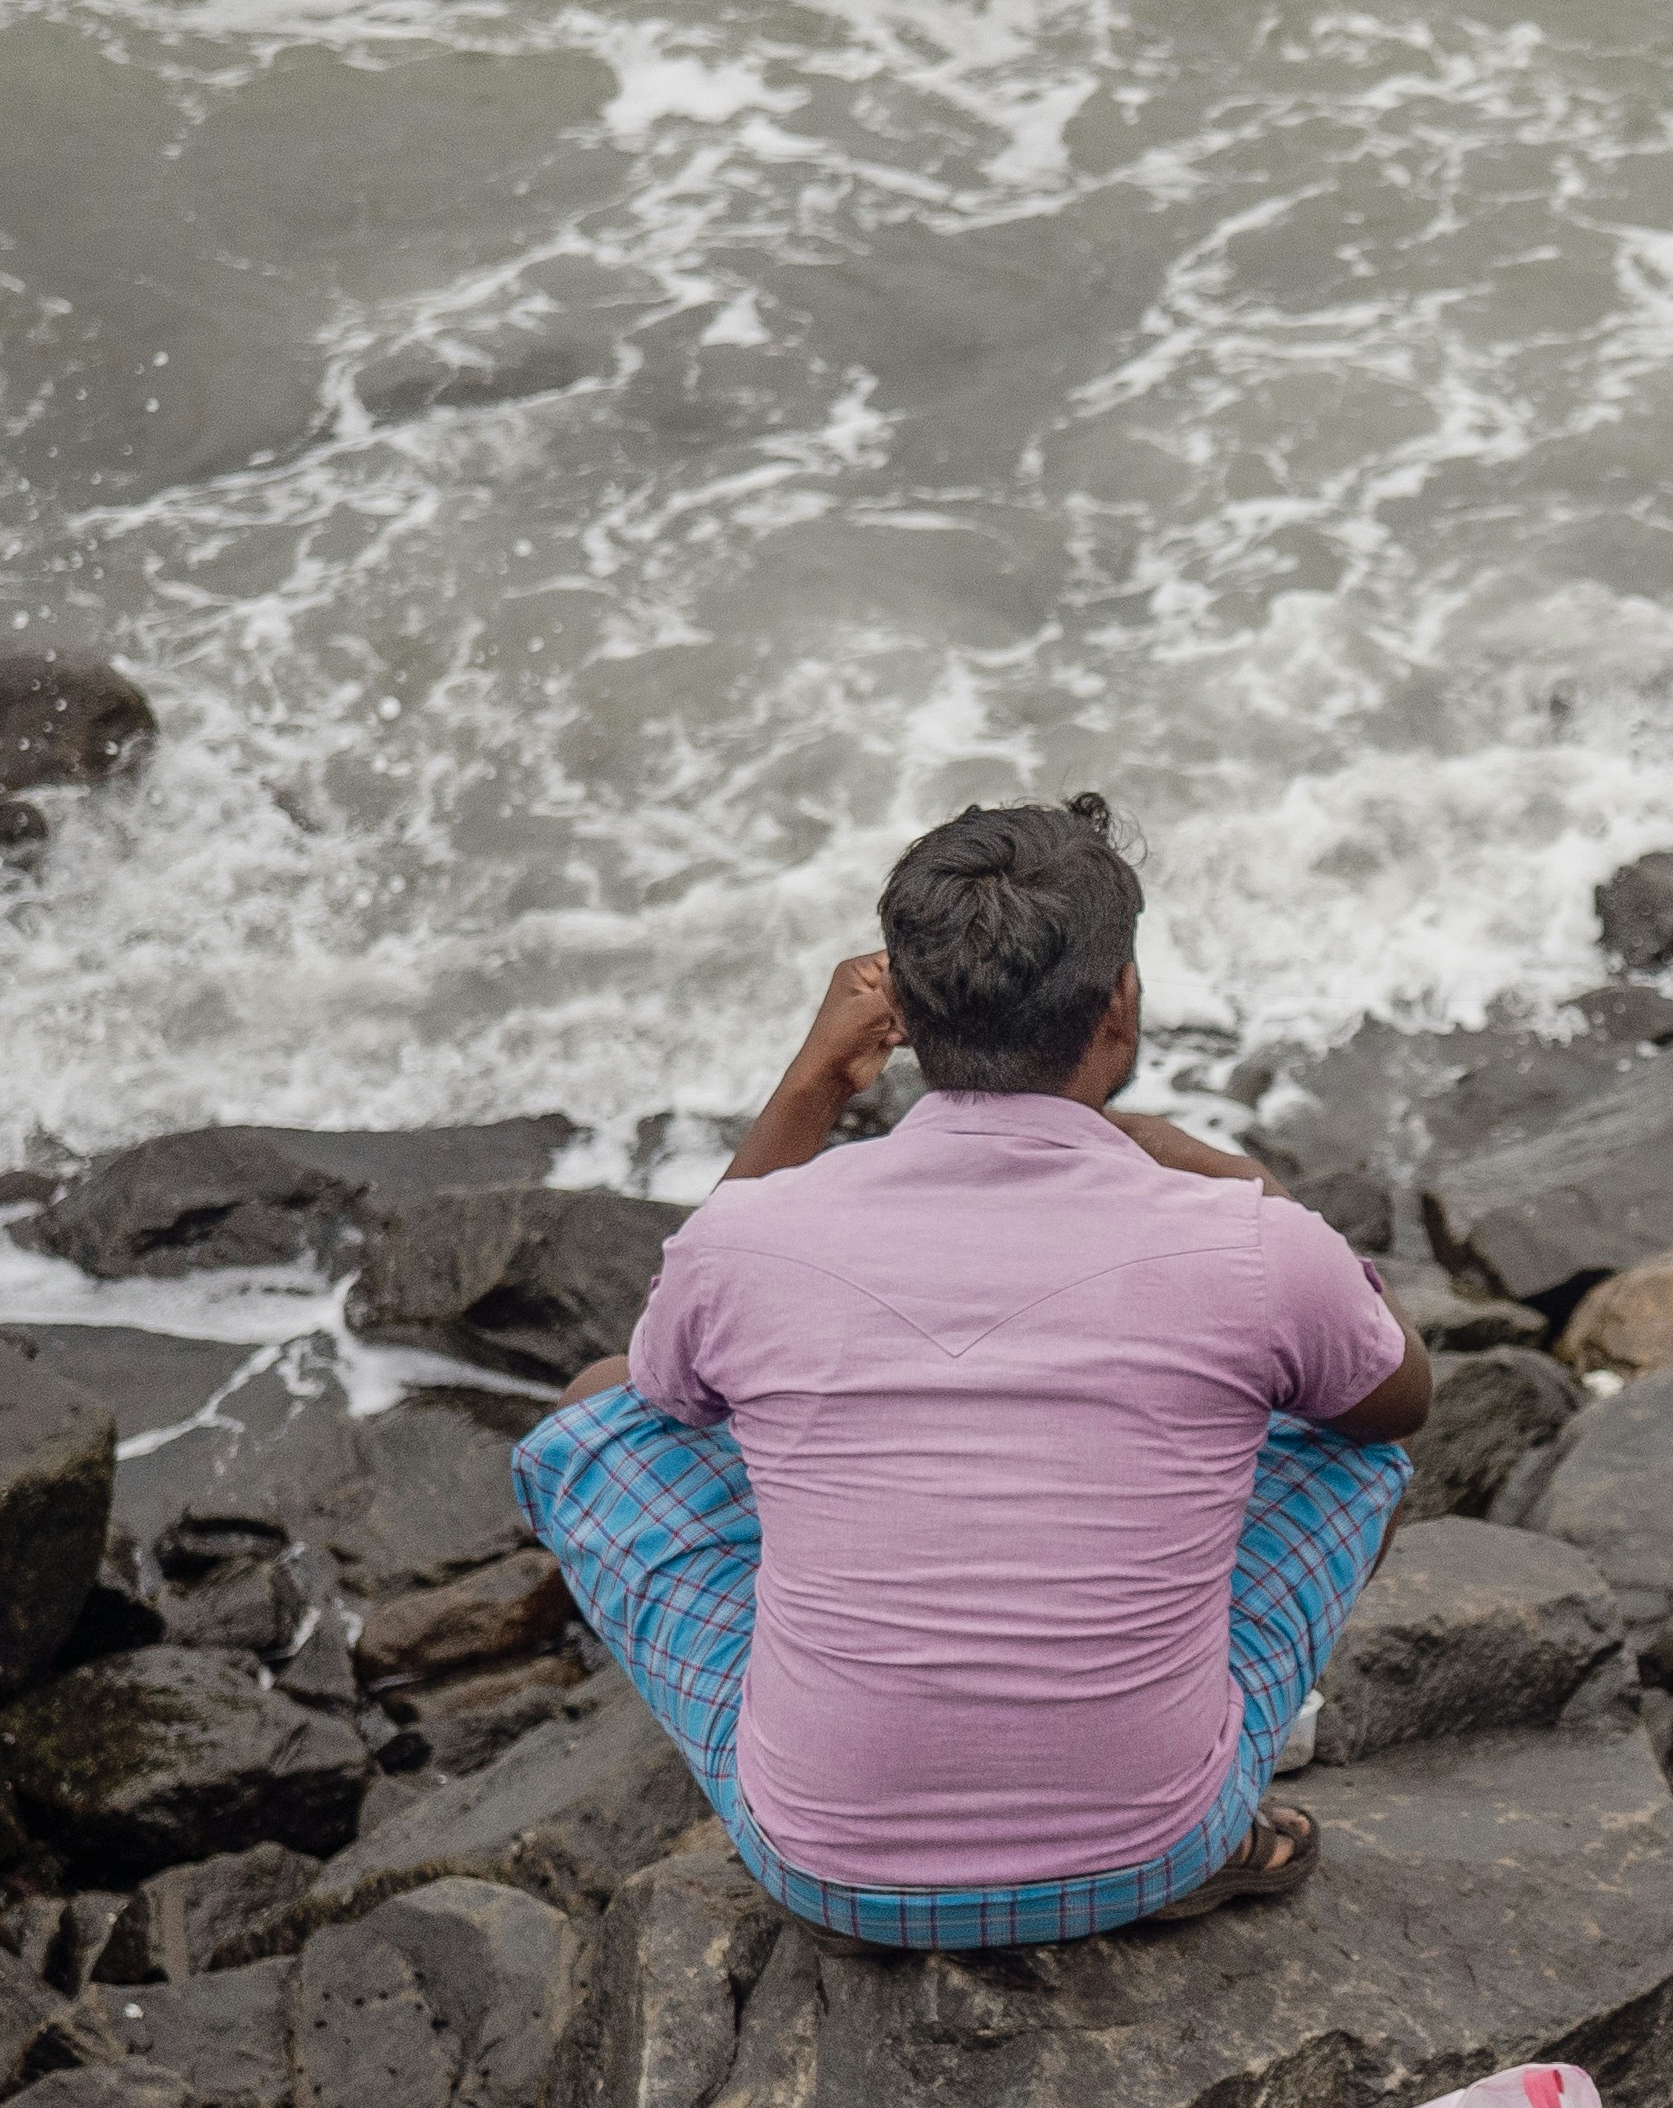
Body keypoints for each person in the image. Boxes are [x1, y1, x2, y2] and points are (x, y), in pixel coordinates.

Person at [513, 797, 1432, 1947]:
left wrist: (813, 1089)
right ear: (1120, 1003)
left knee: (596, 1405)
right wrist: (1233, 1178)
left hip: (825, 1873)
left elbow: (666, 1390)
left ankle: (885, 1804)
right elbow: (1398, 1399)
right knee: (1342, 1438)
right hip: (1157, 1843)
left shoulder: (747, 1239)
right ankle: (1212, 1799)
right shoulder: (1251, 1244)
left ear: (900, 1003)